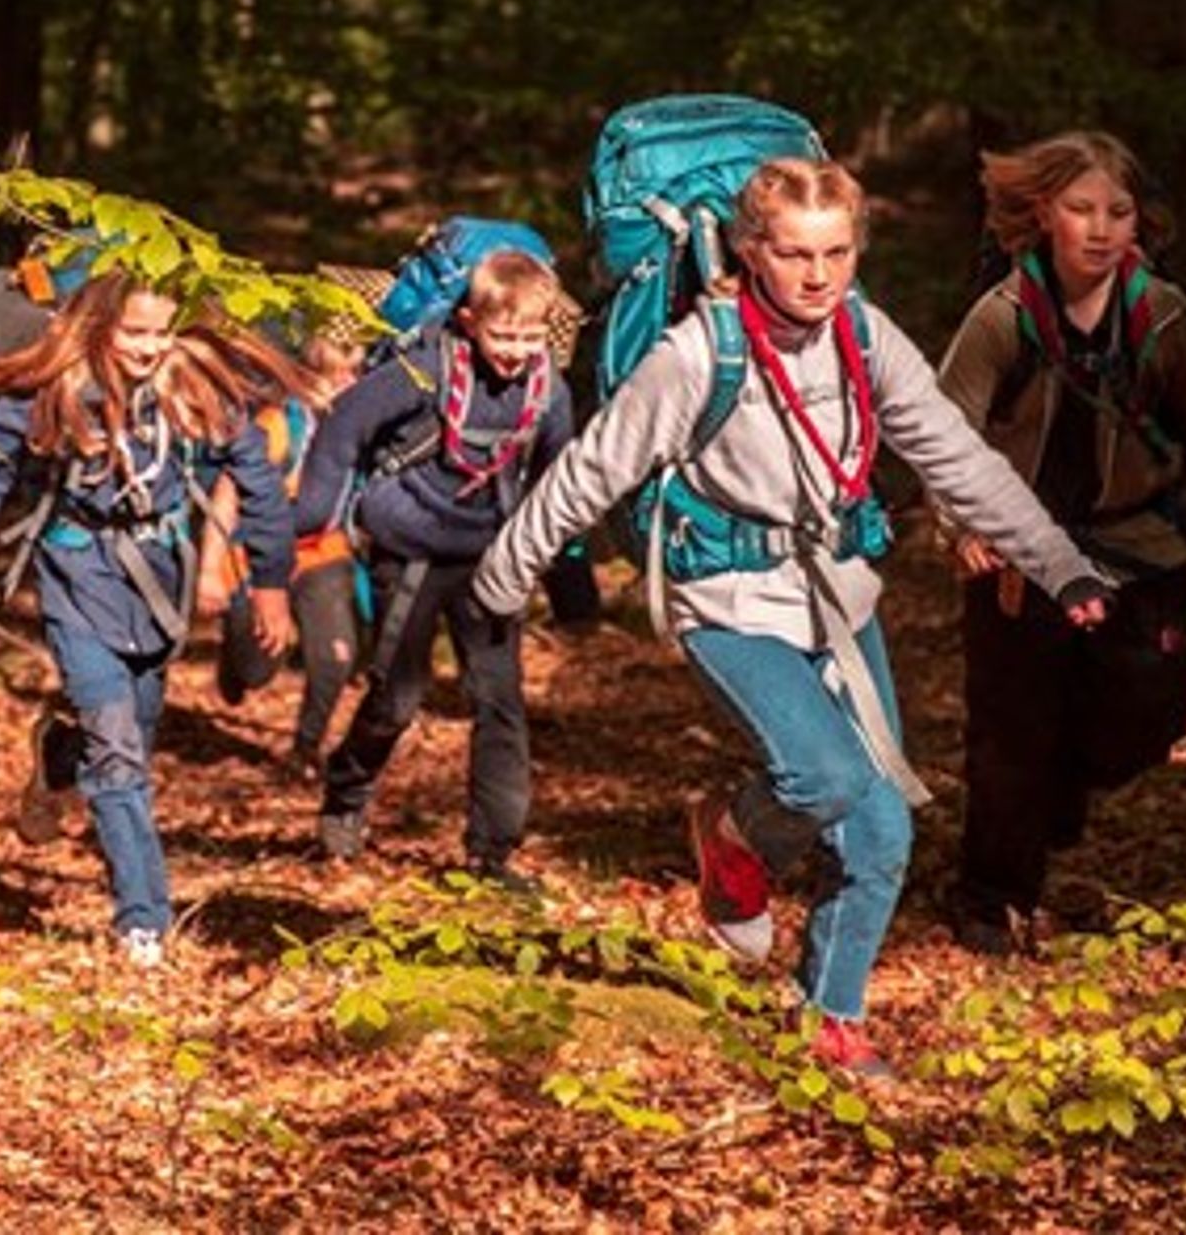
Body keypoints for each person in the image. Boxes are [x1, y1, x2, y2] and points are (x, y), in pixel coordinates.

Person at [473, 158, 1110, 1078]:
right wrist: (505, 575)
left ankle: (830, 1016)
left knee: (883, 829)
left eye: (838, 252)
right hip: (726, 600)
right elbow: (591, 469)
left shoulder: (865, 335)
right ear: (750, 250)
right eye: (796, 253)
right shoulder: (699, 352)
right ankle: (731, 839)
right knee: (824, 776)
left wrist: (1058, 564)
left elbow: (957, 458)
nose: (819, 275)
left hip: (836, 597)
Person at [937, 131, 1186, 955]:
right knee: (1010, 733)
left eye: (1117, 211)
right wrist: (963, 523)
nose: (1100, 227)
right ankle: (990, 900)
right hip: (1020, 552)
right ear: (1042, 214)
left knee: (1149, 719)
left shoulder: (1162, 312)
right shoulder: (1002, 316)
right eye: (1080, 209)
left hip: (1139, 544)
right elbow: (943, 429)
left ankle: (1061, 789)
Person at [0, 273, 303, 968]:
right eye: (134, 333)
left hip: (159, 580)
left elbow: (259, 482)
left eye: (162, 333)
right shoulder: (51, 390)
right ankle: (144, 921)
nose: (149, 348)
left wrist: (271, 580)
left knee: (130, 737)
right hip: (78, 578)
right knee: (119, 750)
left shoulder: (196, 390)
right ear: (99, 327)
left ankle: (59, 753)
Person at [293, 249, 576, 888]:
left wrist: (569, 576)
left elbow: (561, 479)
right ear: (471, 322)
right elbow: (344, 428)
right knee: (397, 699)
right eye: (503, 336)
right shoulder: (422, 372)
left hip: (490, 558)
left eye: (530, 338)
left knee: (499, 700)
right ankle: (345, 794)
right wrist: (312, 515)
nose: (515, 352)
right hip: (410, 550)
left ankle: (492, 853)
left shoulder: (549, 391)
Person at [196, 327, 369, 774]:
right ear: (305, 376)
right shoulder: (277, 425)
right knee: (259, 670)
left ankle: (305, 750)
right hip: (257, 555)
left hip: (323, 551)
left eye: (353, 374)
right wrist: (210, 568)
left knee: (335, 657)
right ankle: (236, 662)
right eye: (333, 375)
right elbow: (227, 497)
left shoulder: (361, 426)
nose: (345, 385)